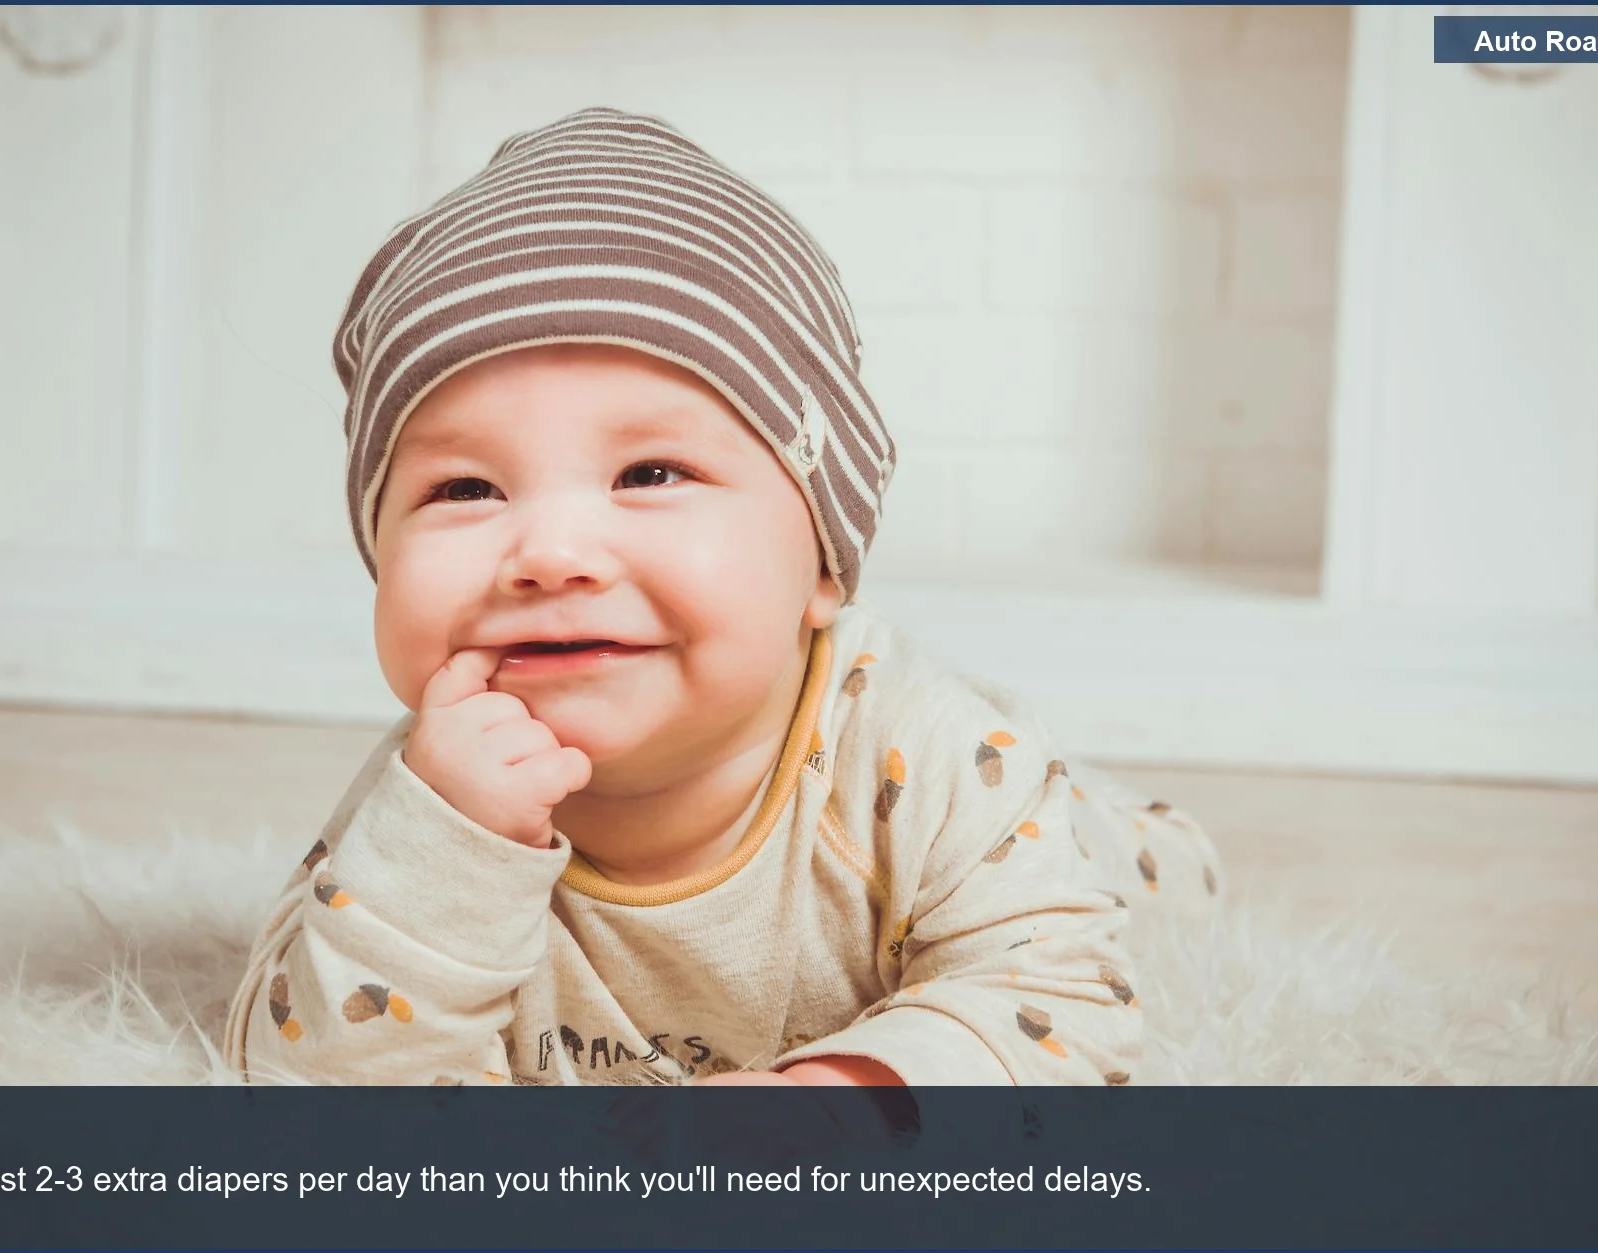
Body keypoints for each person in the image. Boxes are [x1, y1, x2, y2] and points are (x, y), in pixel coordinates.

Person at [225, 108, 1220, 1087]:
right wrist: (449, 856)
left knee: (1094, 877)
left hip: (1057, 846)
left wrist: (843, 1098)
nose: (551, 552)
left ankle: (1108, 819)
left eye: (650, 472)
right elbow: (309, 1079)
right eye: (465, 489)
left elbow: (1058, 1008)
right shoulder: (431, 797)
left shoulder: (933, 755)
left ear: (822, 563)